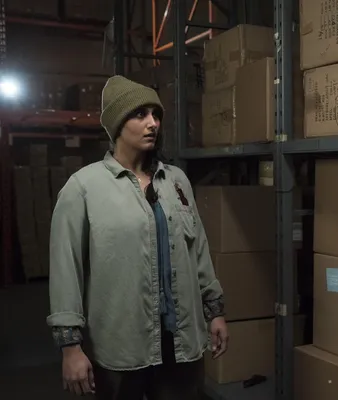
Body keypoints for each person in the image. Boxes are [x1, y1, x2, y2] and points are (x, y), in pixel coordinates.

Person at [47, 75, 228, 399]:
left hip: (180, 341)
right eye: (140, 114)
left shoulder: (176, 181)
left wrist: (215, 312)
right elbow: (66, 269)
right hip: (121, 345)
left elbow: (198, 250)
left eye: (156, 114)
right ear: (117, 123)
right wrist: (70, 347)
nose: (152, 123)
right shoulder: (83, 188)